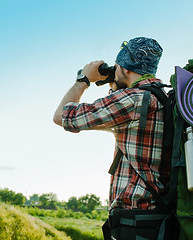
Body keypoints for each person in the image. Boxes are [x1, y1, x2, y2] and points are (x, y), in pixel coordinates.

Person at [53, 37, 170, 239]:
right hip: (160, 217)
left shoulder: (132, 100)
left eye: (117, 68)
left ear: (125, 69)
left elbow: (62, 116)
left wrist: (83, 80)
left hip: (134, 220)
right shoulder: (165, 98)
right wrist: (116, 85)